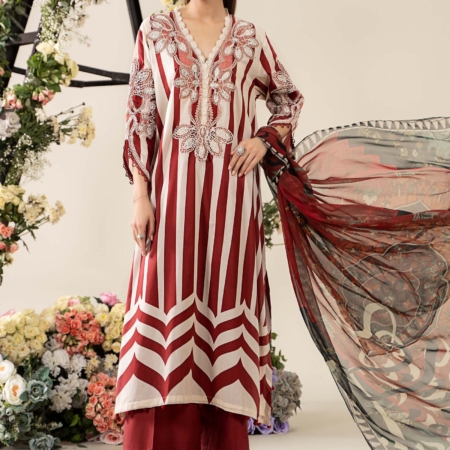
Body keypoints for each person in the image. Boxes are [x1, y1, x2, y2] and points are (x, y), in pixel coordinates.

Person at [114, 0, 304, 449]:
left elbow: (289, 99)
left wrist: (263, 140)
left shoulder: (250, 39)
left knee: (226, 300)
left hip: (233, 205)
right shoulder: (154, 31)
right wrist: (140, 195)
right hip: (169, 200)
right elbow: (140, 116)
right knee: (162, 294)